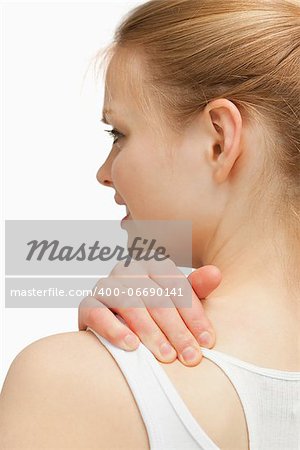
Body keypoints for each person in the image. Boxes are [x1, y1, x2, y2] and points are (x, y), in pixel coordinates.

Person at [1, 0, 300, 449]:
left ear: (219, 139)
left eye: (118, 134)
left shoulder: (71, 382)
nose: (105, 172)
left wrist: (96, 368)